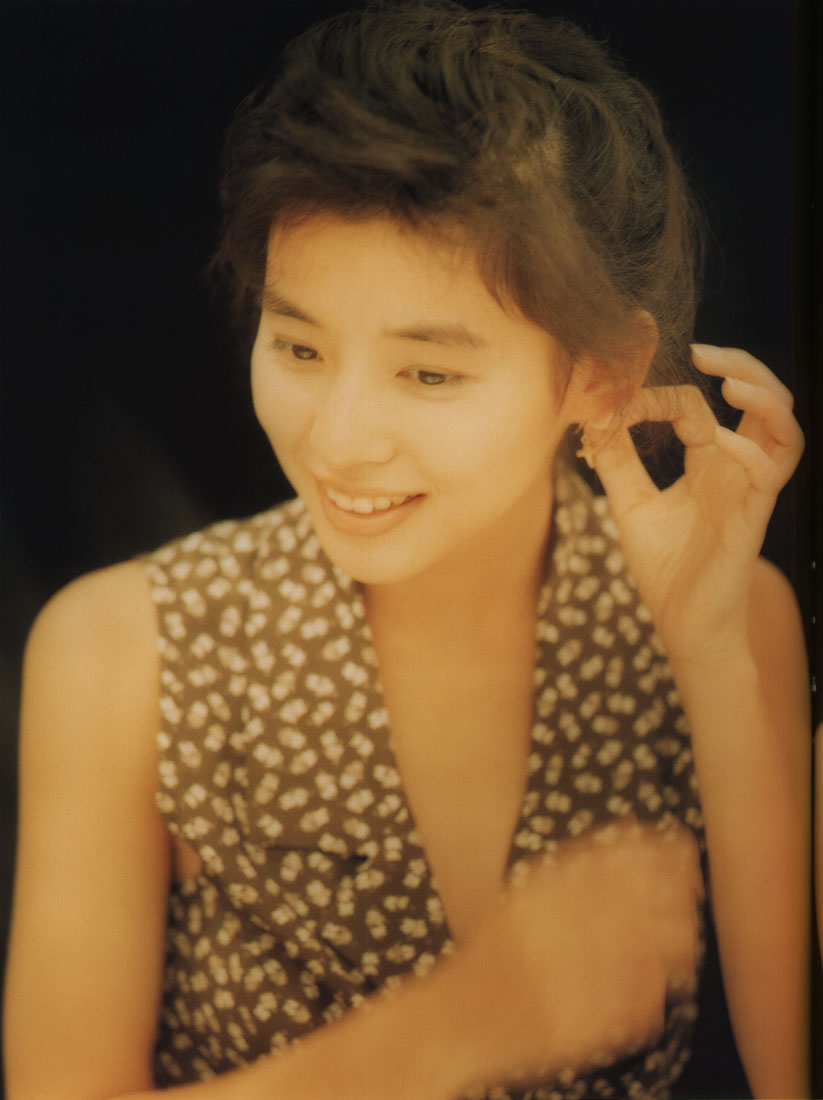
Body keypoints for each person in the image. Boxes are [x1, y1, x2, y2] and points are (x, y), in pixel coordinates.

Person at [3, 2, 810, 1098]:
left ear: (600, 376)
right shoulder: (124, 648)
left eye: (428, 372)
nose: (337, 438)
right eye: (298, 346)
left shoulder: (730, 618)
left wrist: (709, 649)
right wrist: (462, 1023)